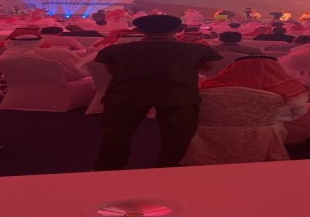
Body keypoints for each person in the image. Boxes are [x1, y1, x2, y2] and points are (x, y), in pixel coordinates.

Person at [93, 15, 222, 171]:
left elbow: (111, 70)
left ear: (140, 30)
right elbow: (207, 68)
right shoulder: (197, 49)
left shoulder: (115, 50)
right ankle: (168, 169)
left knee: (116, 135)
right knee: (178, 136)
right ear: (176, 30)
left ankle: (109, 171)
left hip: (126, 95)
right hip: (177, 96)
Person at [201, 56, 310, 145]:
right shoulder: (290, 87)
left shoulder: (210, 86)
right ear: (276, 68)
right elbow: (299, 111)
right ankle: (295, 141)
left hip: (214, 128)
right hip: (268, 130)